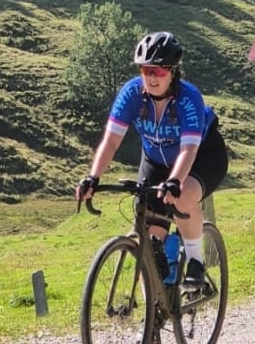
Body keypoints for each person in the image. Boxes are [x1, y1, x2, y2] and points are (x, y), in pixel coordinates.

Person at [76, 31, 228, 290]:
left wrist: (175, 182)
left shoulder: (188, 98)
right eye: (146, 70)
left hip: (202, 156)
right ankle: (154, 315)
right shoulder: (132, 93)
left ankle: (195, 261)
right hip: (156, 159)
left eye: (159, 71)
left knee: (181, 198)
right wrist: (93, 177)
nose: (151, 77)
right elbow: (111, 141)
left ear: (172, 72)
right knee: (149, 240)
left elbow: (188, 151)